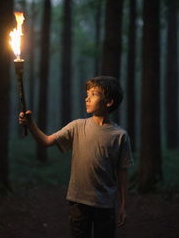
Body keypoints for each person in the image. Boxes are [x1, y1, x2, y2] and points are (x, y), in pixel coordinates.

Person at [19, 76, 134, 238]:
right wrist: (31, 124)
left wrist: (123, 205)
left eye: (94, 94)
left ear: (109, 102)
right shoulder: (78, 126)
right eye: (87, 93)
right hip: (79, 202)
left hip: (105, 204)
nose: (87, 98)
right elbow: (46, 141)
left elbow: (122, 172)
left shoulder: (120, 136)